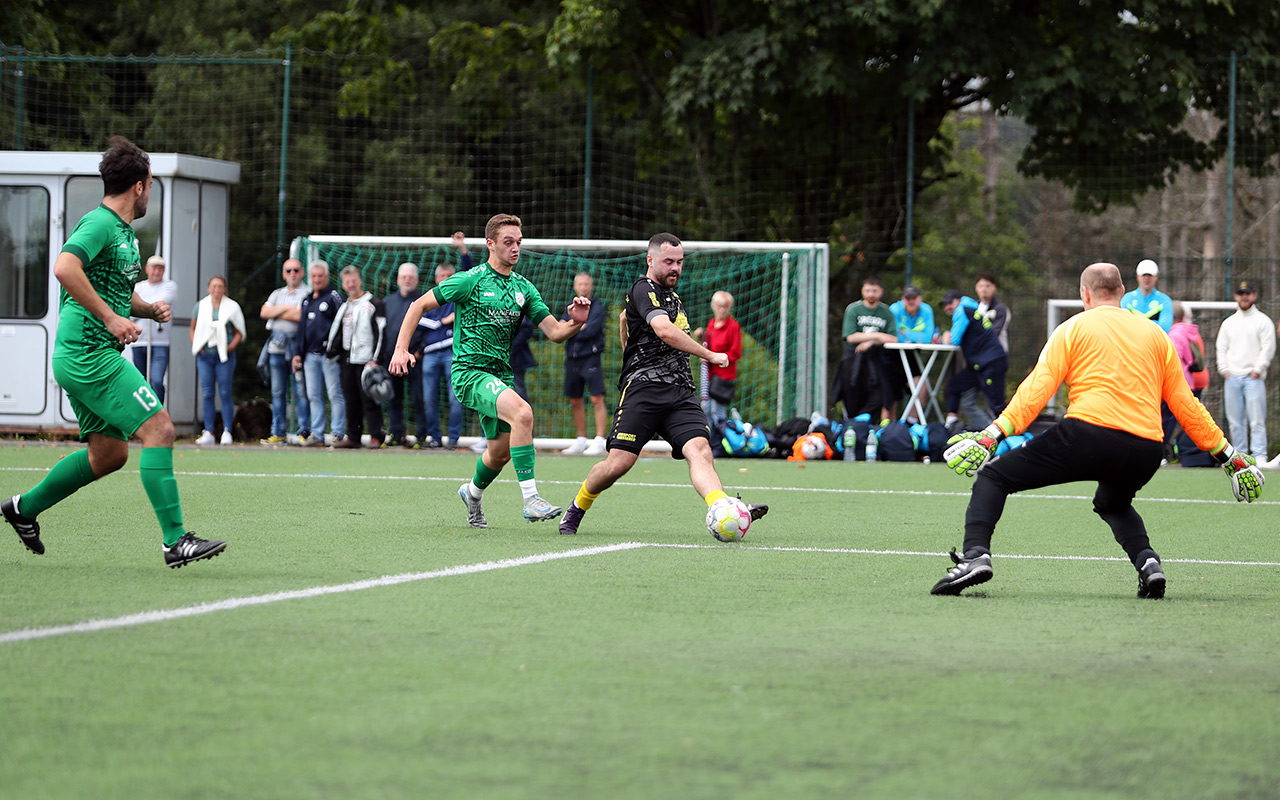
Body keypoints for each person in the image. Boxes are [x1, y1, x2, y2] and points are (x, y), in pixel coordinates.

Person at [933, 262, 1264, 599]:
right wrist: (1229, 456)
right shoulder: (1156, 335)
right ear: (1122, 293)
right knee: (1113, 503)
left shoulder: (1072, 327)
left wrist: (993, 434)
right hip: (1147, 449)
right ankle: (1149, 563)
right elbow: (1186, 404)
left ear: (1084, 294)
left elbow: (1037, 389)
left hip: (1087, 436)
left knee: (993, 478)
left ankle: (975, 555)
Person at [2, 136, 226, 568]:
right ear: (140, 186)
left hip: (87, 353)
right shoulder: (100, 223)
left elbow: (110, 291)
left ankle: (22, 508)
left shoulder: (124, 234)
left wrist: (144, 308)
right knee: (159, 429)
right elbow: (65, 268)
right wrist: (110, 319)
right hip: (88, 353)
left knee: (110, 454)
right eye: (151, 185)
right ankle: (175, 540)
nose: (150, 192)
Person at [557, 233, 768, 536]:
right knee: (618, 463)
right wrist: (710, 354)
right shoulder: (643, 288)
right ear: (650, 260)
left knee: (700, 449)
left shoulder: (673, 297)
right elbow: (664, 331)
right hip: (643, 390)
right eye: (669, 261)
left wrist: (626, 330)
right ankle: (577, 507)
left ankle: (722, 506)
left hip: (680, 391)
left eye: (680, 262)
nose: (675, 268)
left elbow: (624, 320)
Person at [389, 213, 591, 526]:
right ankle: (531, 499)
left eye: (519, 243)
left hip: (500, 377)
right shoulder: (470, 279)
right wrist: (401, 349)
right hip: (470, 373)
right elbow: (418, 306)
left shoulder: (524, 288)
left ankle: (472, 493)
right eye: (508, 242)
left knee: (500, 452)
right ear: (490, 244)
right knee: (523, 413)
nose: (515, 248)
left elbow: (554, 332)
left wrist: (577, 321)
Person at [326, 266, 387, 449]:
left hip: (367, 360)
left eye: (354, 280)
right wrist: (332, 351)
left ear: (360, 281)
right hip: (347, 360)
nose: (351, 284)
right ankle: (353, 436)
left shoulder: (373, 303)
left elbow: (381, 333)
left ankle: (377, 436)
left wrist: (376, 360)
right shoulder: (345, 306)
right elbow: (337, 333)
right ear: (343, 285)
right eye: (347, 282)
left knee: (369, 399)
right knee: (350, 399)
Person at [1215, 280, 1275, 461]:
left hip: (1253, 378)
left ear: (1254, 296)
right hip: (1232, 377)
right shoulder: (1229, 323)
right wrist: (1224, 370)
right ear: (1236, 296)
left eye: (1248, 293)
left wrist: (1258, 369)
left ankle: (1259, 455)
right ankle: (1240, 456)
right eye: (1241, 294)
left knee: (1256, 420)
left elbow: (1268, 347)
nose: (1244, 297)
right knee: (1235, 422)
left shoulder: (1263, 321)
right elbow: (1221, 347)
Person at [293, 260, 346, 446]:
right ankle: (317, 433)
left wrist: (335, 349)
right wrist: (298, 353)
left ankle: (337, 432)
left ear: (327, 277)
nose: (316, 279)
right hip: (308, 356)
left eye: (320, 276)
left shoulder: (334, 297)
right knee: (313, 395)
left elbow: (342, 325)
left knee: (334, 393)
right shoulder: (307, 298)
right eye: (313, 276)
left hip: (329, 356)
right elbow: (301, 328)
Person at [259, 258, 310, 445]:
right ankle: (278, 432)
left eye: (296, 270)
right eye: (288, 271)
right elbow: (264, 312)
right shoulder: (276, 293)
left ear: (302, 272)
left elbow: (300, 316)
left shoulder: (308, 293)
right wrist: (288, 308)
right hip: (276, 350)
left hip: (296, 349)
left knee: (301, 392)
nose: (292, 274)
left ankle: (304, 432)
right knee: (277, 392)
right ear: (283, 274)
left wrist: (277, 312)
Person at [940, 289, 1007, 431]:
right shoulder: (969, 308)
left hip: (991, 363)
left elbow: (954, 340)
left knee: (997, 406)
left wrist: (945, 336)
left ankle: (1012, 439)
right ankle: (952, 425)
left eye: (950, 303)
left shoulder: (962, 310)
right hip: (978, 366)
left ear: (958, 300)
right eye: (945, 305)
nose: (947, 307)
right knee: (954, 386)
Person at [190, 275, 246, 445]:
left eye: (220, 286)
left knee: (225, 392)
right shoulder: (200, 306)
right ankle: (209, 431)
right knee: (207, 393)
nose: (216, 290)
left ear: (224, 289)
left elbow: (239, 331)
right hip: (205, 355)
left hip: (224, 356)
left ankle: (227, 430)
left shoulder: (232, 307)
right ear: (209, 288)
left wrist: (230, 347)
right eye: (214, 286)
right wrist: (197, 345)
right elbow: (193, 328)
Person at [560, 271, 610, 456]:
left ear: (591, 286)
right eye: (579, 284)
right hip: (572, 358)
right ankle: (581, 440)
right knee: (575, 400)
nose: (582, 287)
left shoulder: (597, 307)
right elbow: (560, 327)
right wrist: (577, 326)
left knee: (597, 398)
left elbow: (589, 331)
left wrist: (571, 328)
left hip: (591, 356)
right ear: (574, 286)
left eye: (586, 284)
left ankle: (599, 440)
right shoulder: (571, 306)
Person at [421, 257, 468, 450]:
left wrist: (464, 251)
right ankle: (434, 437)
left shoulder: (460, 297)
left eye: (450, 276)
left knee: (456, 398)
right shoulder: (429, 298)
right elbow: (420, 320)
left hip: (452, 353)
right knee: (428, 399)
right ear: (436, 279)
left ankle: (454, 439)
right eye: (443, 276)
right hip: (430, 354)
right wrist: (444, 321)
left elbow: (470, 271)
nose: (446, 279)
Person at [836, 276, 898, 420]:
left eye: (875, 291)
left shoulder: (886, 312)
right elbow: (850, 337)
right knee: (851, 395)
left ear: (881, 292)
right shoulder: (853, 309)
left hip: (875, 358)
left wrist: (871, 341)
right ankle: (852, 425)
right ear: (862, 291)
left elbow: (893, 338)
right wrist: (877, 337)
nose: (871, 294)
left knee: (879, 395)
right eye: (868, 290)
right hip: (853, 358)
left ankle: (865, 423)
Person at [382, 262, 428, 448]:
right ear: (398, 280)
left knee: (419, 398)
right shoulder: (387, 302)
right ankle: (395, 434)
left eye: (411, 277)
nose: (407, 280)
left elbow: (429, 329)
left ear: (416, 280)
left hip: (416, 359)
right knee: (393, 398)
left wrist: (420, 351)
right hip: (391, 359)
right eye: (404, 277)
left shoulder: (424, 301)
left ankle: (422, 436)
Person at [958, 273, 1011, 428]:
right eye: (981, 286)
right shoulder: (972, 308)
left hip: (993, 362)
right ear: (976, 288)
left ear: (993, 288)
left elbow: (988, 335)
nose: (984, 289)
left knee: (994, 404)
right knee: (966, 401)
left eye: (987, 286)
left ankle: (1004, 435)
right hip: (975, 363)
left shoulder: (1001, 310)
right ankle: (988, 432)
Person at [691, 290, 742, 438]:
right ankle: (708, 440)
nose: (722, 309)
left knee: (717, 410)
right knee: (705, 408)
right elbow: (710, 346)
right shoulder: (712, 324)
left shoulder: (733, 326)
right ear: (714, 306)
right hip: (709, 374)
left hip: (724, 376)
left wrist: (717, 358)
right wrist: (702, 338)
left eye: (726, 306)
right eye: (720, 306)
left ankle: (721, 440)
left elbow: (735, 352)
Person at [129, 254, 177, 404]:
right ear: (147, 269)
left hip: (160, 342)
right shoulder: (138, 287)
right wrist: (147, 310)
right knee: (140, 382)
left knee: (156, 380)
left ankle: (158, 413)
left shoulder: (169, 286)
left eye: (160, 269)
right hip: (139, 341)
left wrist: (140, 309)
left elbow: (159, 304)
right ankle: (142, 416)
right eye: (154, 268)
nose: (157, 272)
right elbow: (129, 310)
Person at [888, 285, 937, 423]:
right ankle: (888, 427)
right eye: (907, 298)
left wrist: (906, 333)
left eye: (914, 298)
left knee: (921, 387)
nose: (911, 301)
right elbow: (895, 336)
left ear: (919, 299)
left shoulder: (926, 310)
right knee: (891, 391)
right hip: (892, 356)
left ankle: (911, 423)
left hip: (912, 356)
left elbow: (927, 338)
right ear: (903, 299)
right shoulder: (895, 309)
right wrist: (916, 335)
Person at [1121, 259, 1173, 332]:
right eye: (1143, 275)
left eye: (1150, 276)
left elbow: (1164, 329)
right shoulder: (1127, 299)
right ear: (1137, 276)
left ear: (1156, 277)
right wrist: (1154, 323)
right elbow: (1123, 326)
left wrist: (1135, 324)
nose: (1147, 279)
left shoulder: (1165, 300)